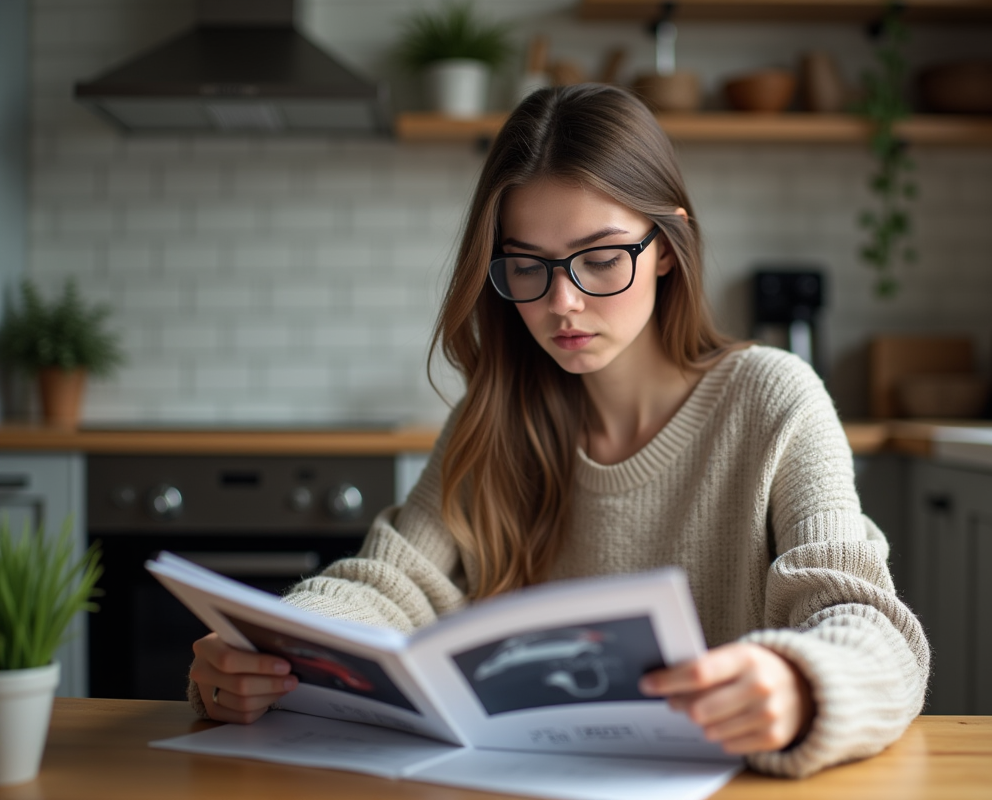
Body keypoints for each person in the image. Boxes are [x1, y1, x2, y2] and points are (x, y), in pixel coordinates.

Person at [187, 83, 930, 779]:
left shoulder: (773, 400)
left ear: (667, 247)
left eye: (601, 258)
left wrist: (800, 684)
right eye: (527, 267)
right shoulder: (495, 417)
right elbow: (390, 584)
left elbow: (864, 620)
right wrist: (271, 649)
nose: (562, 304)